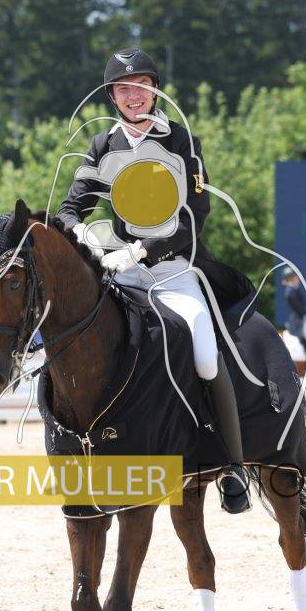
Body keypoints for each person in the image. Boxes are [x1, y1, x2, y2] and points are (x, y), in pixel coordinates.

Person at [57, 47, 252, 514]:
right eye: (124, 89)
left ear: (155, 90)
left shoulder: (182, 141)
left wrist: (142, 250)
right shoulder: (103, 146)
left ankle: (232, 464)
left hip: (173, 271)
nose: (134, 95)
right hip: (120, 275)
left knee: (203, 351)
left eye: (141, 86)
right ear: (112, 97)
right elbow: (69, 208)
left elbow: (195, 215)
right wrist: (81, 232)